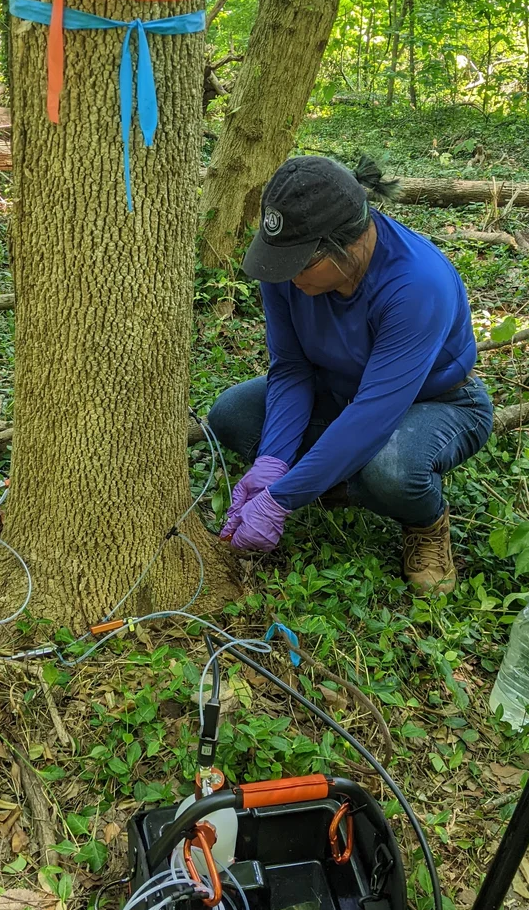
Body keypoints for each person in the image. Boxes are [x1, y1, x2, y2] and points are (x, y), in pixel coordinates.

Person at [206, 155, 493, 594]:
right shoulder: (286, 267)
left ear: (349, 243)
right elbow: (291, 367)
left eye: (301, 264)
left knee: (389, 471)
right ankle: (336, 476)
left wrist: (281, 499)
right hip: (337, 390)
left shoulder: (416, 285)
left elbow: (373, 414)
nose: (287, 275)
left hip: (437, 403)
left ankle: (425, 521)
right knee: (233, 414)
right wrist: (272, 461)